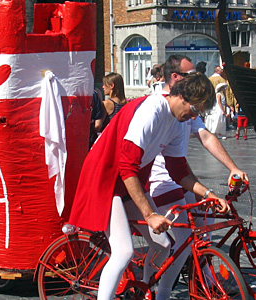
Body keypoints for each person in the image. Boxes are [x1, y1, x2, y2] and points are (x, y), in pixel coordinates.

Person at [68, 73, 230, 300]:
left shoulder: (176, 121)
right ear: (181, 96)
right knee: (124, 252)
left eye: (199, 113)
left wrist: (210, 195)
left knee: (163, 245)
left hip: (126, 180)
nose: (194, 116)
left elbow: (179, 171)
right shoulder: (152, 110)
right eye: (194, 109)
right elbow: (126, 166)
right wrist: (150, 213)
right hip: (105, 178)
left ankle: (143, 291)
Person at [148, 55, 248, 300]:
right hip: (161, 181)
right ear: (175, 77)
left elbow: (206, 136)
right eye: (190, 73)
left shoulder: (190, 104)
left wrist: (233, 167)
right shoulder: (158, 106)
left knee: (204, 228)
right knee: (180, 241)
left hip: (182, 177)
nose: (197, 78)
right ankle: (159, 290)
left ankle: (206, 280)